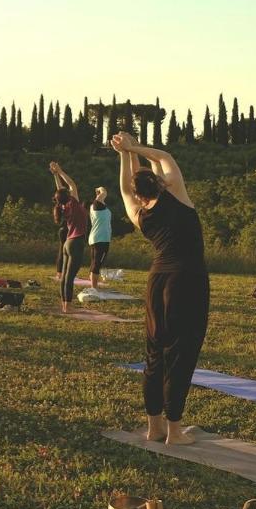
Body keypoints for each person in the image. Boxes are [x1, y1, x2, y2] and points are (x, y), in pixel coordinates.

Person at [112, 131, 208, 446]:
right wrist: (133, 147)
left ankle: (154, 427)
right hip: (188, 280)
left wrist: (125, 154)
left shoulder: (139, 213)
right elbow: (164, 157)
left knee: (155, 354)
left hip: (157, 281)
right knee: (181, 354)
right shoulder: (177, 195)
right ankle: (175, 432)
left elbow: (126, 186)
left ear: (138, 193)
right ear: (160, 182)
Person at [50, 162, 88, 313]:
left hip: (68, 243)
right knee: (69, 277)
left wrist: (55, 175)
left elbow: (60, 191)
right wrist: (60, 171)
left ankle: (65, 305)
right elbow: (71, 183)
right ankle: (68, 307)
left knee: (64, 276)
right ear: (69, 196)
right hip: (76, 242)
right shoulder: (74, 203)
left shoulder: (63, 207)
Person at [88, 186, 112, 289]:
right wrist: (100, 188)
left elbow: (102, 197)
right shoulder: (97, 204)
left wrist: (99, 194)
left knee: (94, 262)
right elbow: (104, 192)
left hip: (96, 238)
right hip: (101, 239)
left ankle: (93, 285)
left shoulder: (99, 207)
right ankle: (94, 288)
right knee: (97, 263)